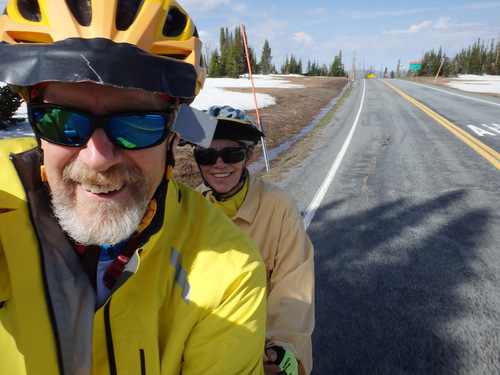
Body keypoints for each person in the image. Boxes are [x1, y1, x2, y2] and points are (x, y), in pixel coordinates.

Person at [0, 1, 266, 374]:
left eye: (137, 125)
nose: (98, 159)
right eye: (62, 121)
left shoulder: (228, 269)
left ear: (173, 135)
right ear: (35, 124)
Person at [191, 106, 315, 375]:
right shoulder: (190, 206)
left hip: (259, 353)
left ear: (248, 157)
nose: (219, 164)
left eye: (231, 153)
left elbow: (294, 288)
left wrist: (283, 351)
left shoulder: (278, 207)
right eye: (207, 155)